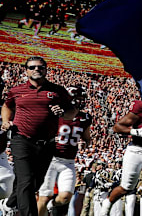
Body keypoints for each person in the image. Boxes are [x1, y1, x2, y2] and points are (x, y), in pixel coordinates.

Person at [0, 56, 76, 216]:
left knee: (34, 183)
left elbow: (72, 112)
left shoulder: (58, 91)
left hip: (46, 143)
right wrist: (6, 121)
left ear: (46, 70)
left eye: (40, 67)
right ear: (26, 70)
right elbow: (7, 106)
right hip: (21, 139)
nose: (36, 70)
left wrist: (62, 112)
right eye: (32, 67)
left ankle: (8, 204)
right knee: (26, 182)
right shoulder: (17, 90)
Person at [38, 85, 93, 216]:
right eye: (78, 98)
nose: (80, 101)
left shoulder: (85, 118)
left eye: (82, 98)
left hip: (68, 162)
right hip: (50, 159)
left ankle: (51, 206)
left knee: (65, 197)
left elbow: (87, 137)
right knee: (43, 197)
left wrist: (86, 142)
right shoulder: (55, 113)